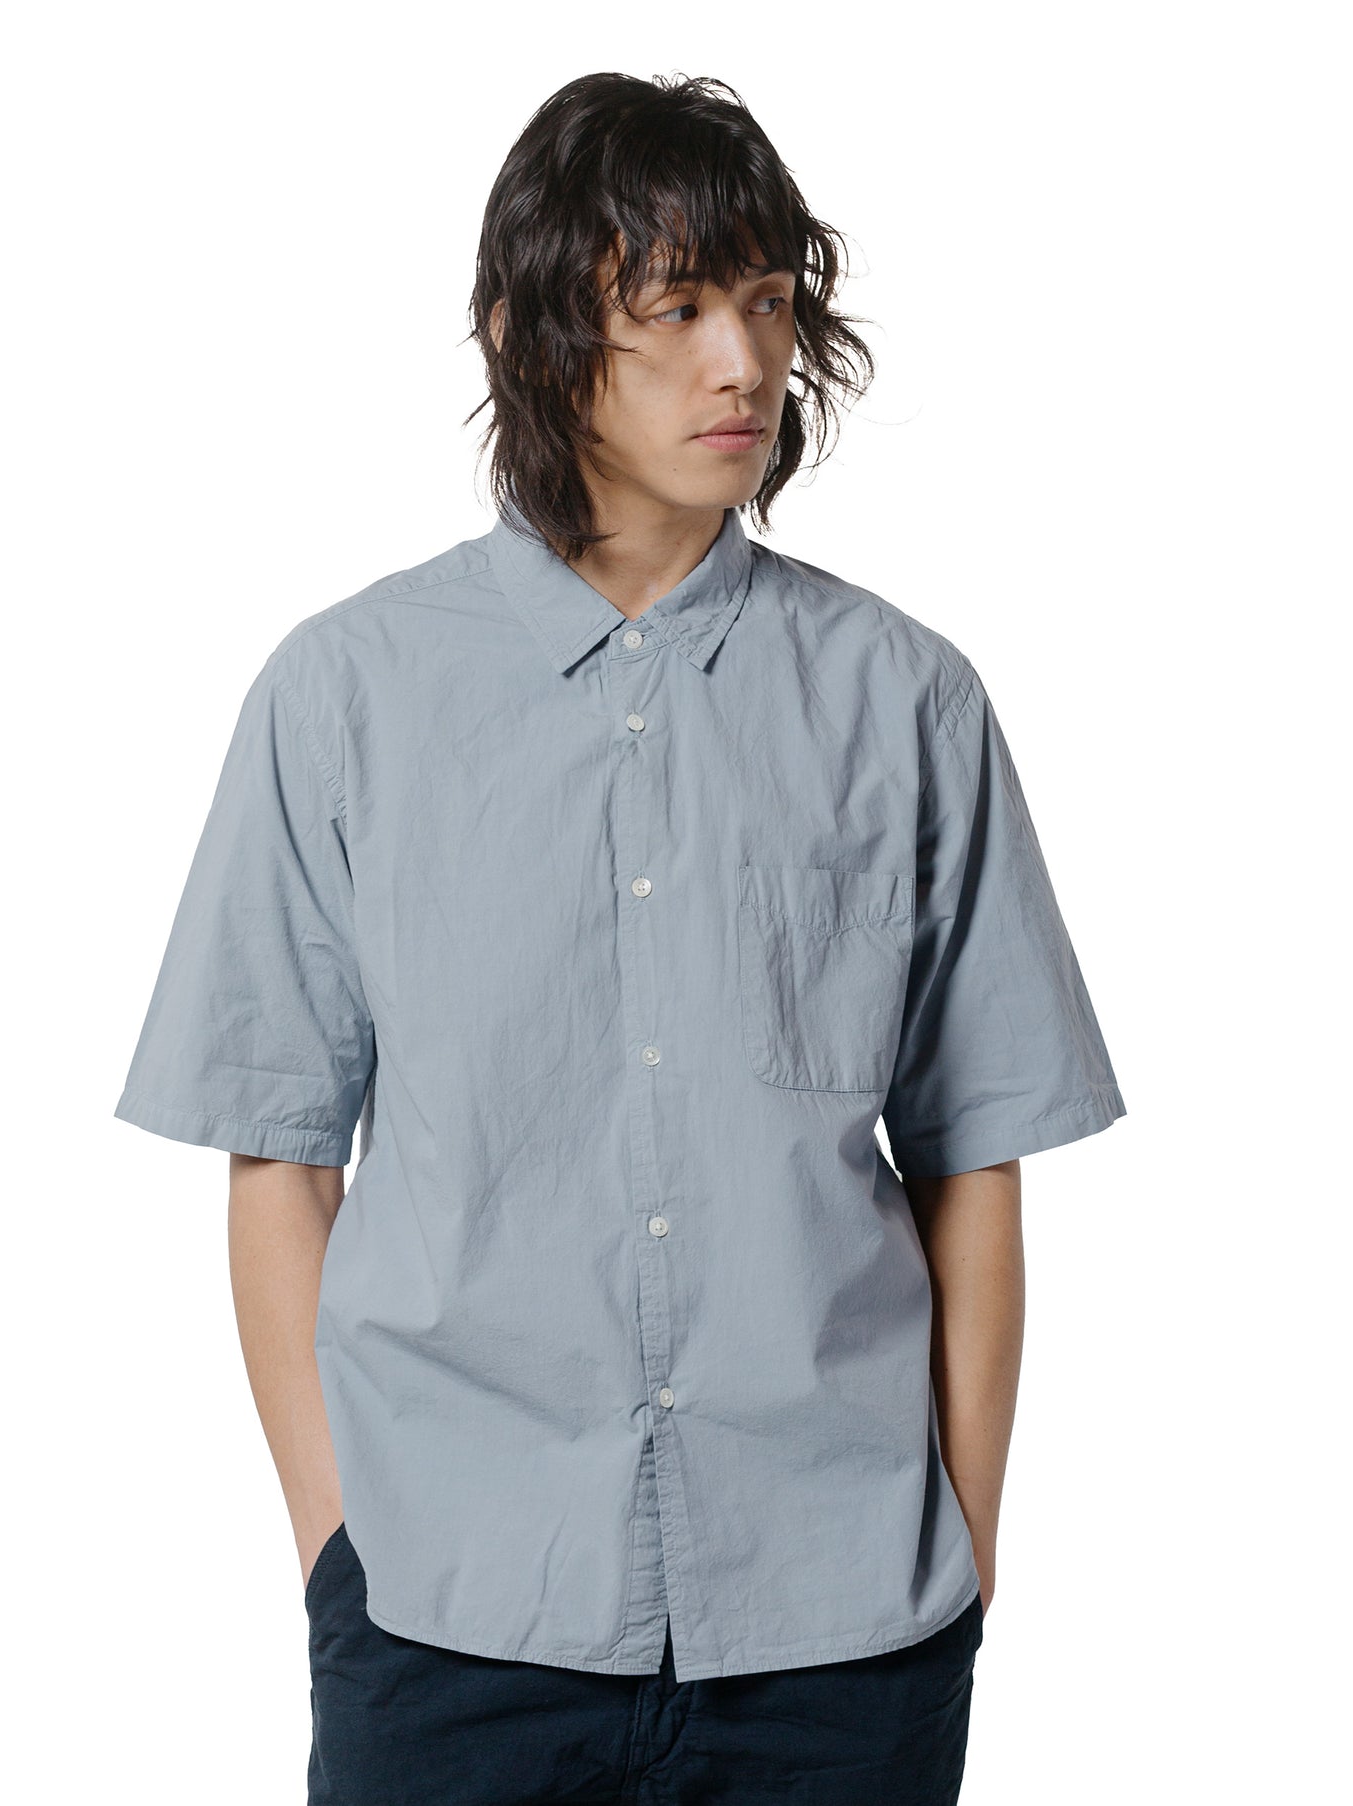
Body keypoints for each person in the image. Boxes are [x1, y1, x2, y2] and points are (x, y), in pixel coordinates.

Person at [114, 70, 1125, 1806]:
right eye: (675, 308)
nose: (743, 363)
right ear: (528, 333)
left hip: (840, 1636)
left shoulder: (905, 703)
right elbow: (275, 1154)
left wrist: (961, 1552)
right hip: (447, 1621)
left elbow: (973, 1157)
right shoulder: (346, 696)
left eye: (769, 302)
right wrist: (338, 1550)